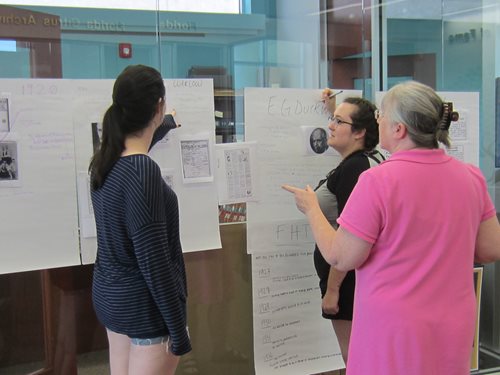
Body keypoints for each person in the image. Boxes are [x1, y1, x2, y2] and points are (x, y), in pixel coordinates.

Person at [283, 80, 500, 375]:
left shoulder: (378, 182)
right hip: (452, 324)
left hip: (393, 329)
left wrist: (311, 208)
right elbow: (489, 250)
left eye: (381, 116)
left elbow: (341, 256)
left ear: (399, 129)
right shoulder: (470, 178)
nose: (378, 121)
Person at [88, 64, 191, 375]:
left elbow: (138, 143)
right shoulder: (142, 171)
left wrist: (165, 124)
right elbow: (154, 260)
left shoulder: (105, 161)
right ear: (158, 106)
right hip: (145, 308)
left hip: (111, 298)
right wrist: (178, 330)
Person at [312, 91, 384, 367]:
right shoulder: (367, 158)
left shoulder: (356, 169)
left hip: (348, 283)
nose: (330, 125)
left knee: (354, 357)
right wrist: (335, 110)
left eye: (338, 121)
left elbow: (350, 235)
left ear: (359, 132)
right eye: (333, 118)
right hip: (353, 280)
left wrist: (333, 290)